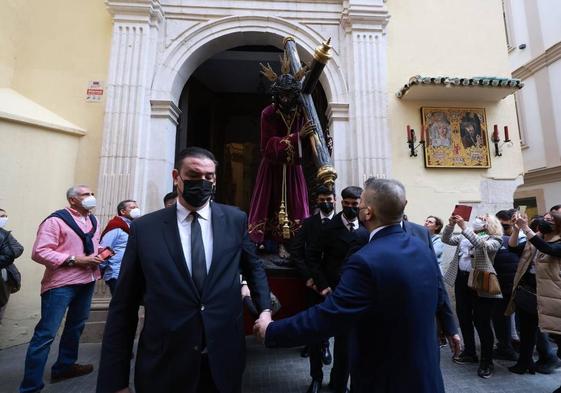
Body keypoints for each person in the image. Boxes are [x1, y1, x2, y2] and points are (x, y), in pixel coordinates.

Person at [97, 147, 272, 393]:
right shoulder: (146, 229)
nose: (202, 182)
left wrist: (264, 310)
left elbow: (254, 268)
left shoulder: (235, 220)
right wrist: (115, 381)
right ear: (176, 176)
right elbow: (123, 307)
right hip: (165, 364)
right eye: (193, 175)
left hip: (223, 362)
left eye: (209, 177)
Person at [255, 178, 447, 393]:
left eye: (361, 204)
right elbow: (438, 298)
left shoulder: (366, 260)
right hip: (425, 373)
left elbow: (330, 316)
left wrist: (272, 330)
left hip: (386, 377)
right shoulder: (422, 247)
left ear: (368, 213)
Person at [20, 185, 102, 393]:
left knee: (76, 327)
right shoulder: (55, 221)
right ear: (73, 200)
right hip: (61, 284)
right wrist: (75, 259)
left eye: (91, 194)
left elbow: (93, 246)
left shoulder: (93, 220)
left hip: (87, 280)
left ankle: (65, 366)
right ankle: (30, 386)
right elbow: (40, 252)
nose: (91, 197)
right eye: (85, 194)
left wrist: (100, 256)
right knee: (45, 334)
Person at [247, 58, 313, 257]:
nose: (285, 99)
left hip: (294, 167)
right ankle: (273, 243)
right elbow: (267, 146)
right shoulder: (268, 113)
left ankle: (296, 244)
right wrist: (296, 136)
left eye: (289, 95)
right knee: (271, 201)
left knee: (296, 203)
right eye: (282, 95)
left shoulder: (303, 111)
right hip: (273, 168)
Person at [306, 186, 366, 393]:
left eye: (354, 205)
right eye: (346, 204)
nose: (350, 208)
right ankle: (316, 377)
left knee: (345, 342)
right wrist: (322, 285)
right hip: (326, 290)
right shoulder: (328, 227)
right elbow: (312, 257)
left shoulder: (366, 227)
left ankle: (338, 382)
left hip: (351, 292)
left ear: (361, 205)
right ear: (340, 202)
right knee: (317, 336)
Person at [443, 213, 503, 378]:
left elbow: (482, 245)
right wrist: (450, 226)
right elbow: (446, 239)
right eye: (478, 216)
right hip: (462, 280)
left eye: (483, 218)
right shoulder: (465, 236)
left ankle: (487, 361)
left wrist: (463, 227)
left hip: (480, 282)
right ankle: (470, 352)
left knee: (482, 322)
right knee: (464, 318)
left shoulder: (495, 238)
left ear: (489, 224)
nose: (478, 219)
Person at [290, 185, 336, 393]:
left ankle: (339, 378)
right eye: (322, 199)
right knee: (314, 330)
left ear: (335, 200)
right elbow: (297, 253)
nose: (326, 202)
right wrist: (308, 277)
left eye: (329, 199)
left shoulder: (343, 222)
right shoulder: (308, 224)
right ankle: (315, 377)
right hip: (314, 287)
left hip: (338, 288)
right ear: (316, 201)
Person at [506, 212, 561, 379]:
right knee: (526, 330)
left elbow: (548, 249)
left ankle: (550, 359)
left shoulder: (558, 241)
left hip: (550, 294)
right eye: (544, 220)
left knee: (554, 334)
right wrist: (516, 230)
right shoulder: (536, 236)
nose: (545, 222)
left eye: (550, 221)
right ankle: (524, 363)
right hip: (528, 291)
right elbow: (513, 247)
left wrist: (525, 227)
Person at [491, 209, 521, 361]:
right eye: (499, 225)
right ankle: (507, 345)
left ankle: (508, 347)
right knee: (501, 318)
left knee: (508, 318)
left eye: (506, 226)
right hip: (500, 285)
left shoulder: (520, 240)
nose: (503, 230)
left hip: (511, 286)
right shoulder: (495, 240)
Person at [99, 200, 141, 295]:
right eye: (132, 208)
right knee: (121, 306)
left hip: (131, 274)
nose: (136, 210)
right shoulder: (116, 226)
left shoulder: (133, 226)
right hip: (117, 274)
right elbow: (105, 248)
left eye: (137, 207)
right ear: (123, 211)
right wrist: (101, 267)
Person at [0, 208, 24, 322]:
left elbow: (18, 248)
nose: (4, 219)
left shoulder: (4, 234)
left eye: (5, 216)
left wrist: (6, 255)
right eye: (1, 216)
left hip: (3, 279)